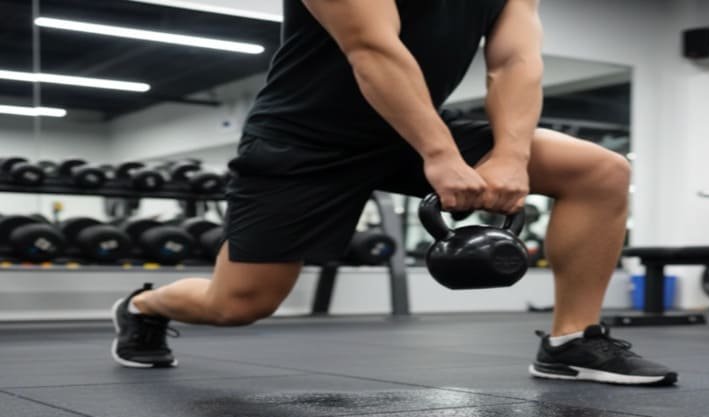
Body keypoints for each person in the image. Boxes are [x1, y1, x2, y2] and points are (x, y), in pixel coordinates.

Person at [111, 0, 678, 386]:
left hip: (415, 122)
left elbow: (514, 61)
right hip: (306, 139)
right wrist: (441, 156)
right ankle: (142, 306)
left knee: (599, 170)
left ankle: (569, 342)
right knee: (238, 304)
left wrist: (512, 155)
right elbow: (372, 48)